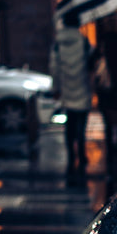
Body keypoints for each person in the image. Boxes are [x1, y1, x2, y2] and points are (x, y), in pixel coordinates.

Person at [49, 10, 94, 185]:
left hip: (67, 88)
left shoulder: (58, 43)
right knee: (81, 124)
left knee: (69, 125)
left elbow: (54, 67)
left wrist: (56, 87)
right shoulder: (83, 41)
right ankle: (82, 154)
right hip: (82, 86)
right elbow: (91, 62)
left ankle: (71, 156)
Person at [93, 17, 117, 186]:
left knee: (109, 126)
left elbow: (91, 67)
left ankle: (111, 156)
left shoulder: (102, 47)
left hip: (107, 93)